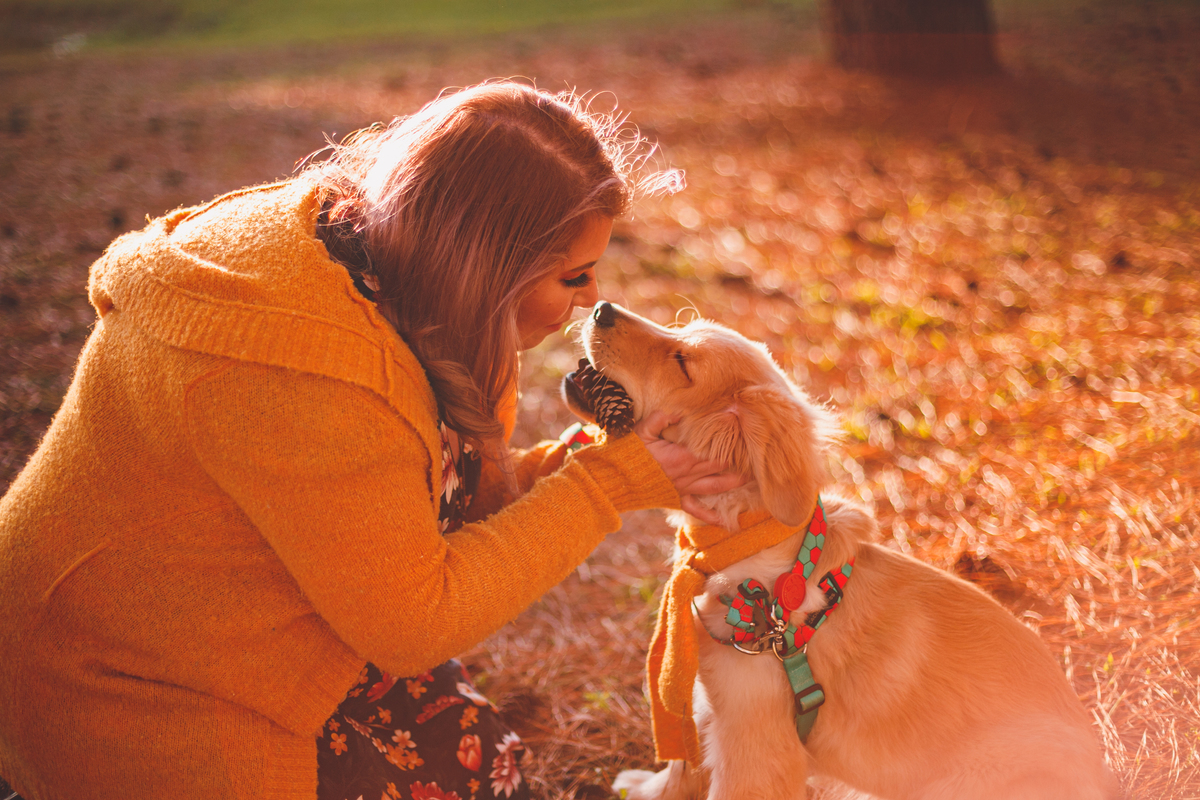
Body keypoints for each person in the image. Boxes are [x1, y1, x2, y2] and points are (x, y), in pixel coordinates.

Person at [0, 81, 741, 800]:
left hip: (229, 622)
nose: (590, 297)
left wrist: (579, 462)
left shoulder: (397, 279)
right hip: (120, 684)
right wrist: (605, 488)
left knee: (481, 766)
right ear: (486, 267)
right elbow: (415, 622)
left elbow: (414, 502)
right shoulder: (299, 369)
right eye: (574, 274)